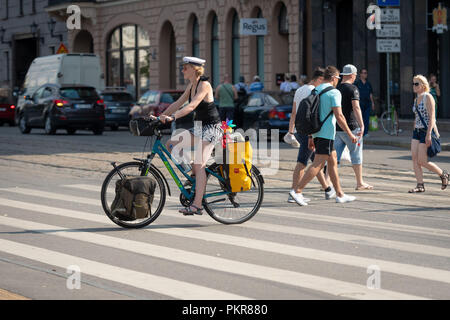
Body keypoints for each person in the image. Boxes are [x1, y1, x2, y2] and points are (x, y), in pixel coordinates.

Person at [157, 56, 224, 215]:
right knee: (171, 144)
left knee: (200, 164)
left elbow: (192, 106)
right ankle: (191, 174)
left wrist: (173, 118)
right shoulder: (191, 85)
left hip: (212, 128)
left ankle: (197, 205)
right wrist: (160, 116)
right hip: (200, 127)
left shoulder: (204, 85)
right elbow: (177, 104)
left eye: (185, 67)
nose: (182, 70)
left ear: (194, 68)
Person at [288, 66, 357, 206]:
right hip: (326, 133)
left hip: (317, 132)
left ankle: (339, 194)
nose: (338, 80)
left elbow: (313, 114)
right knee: (318, 163)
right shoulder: (334, 92)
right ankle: (297, 191)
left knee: (332, 160)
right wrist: (350, 134)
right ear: (333, 78)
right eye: (338, 78)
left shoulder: (316, 89)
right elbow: (339, 115)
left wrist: (310, 136)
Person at [287, 67, 335, 204]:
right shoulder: (314, 91)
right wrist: (311, 135)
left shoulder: (300, 90)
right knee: (302, 162)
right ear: (320, 79)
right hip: (309, 132)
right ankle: (294, 192)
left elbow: (294, 112)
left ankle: (327, 189)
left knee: (316, 161)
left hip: (299, 129)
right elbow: (313, 113)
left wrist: (291, 131)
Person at [336, 64, 373, 191]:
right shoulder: (353, 89)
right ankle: (359, 182)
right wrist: (362, 125)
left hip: (338, 127)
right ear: (352, 75)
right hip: (352, 127)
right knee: (356, 155)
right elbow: (356, 108)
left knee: (334, 157)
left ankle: (328, 181)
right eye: (355, 75)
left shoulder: (336, 88)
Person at [409, 75, 448, 193]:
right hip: (416, 131)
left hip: (426, 131)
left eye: (416, 84)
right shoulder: (416, 99)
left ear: (423, 85)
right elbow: (416, 117)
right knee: (414, 159)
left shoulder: (428, 97)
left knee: (422, 161)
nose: (414, 86)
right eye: (413, 84)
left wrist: (429, 134)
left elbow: (432, 118)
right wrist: (414, 129)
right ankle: (420, 185)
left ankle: (443, 174)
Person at [354, 68, 375, 136]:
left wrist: (372, 103)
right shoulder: (357, 83)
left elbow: (370, 94)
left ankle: (365, 132)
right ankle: (359, 131)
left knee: (366, 118)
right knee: (359, 118)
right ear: (360, 74)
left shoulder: (368, 84)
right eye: (363, 73)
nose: (364, 74)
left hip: (367, 103)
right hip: (360, 103)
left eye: (365, 73)